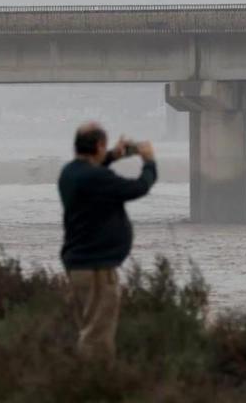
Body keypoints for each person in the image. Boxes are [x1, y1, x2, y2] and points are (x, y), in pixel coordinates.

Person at [58, 122, 157, 362]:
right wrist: (149, 162)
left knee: (86, 330)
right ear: (99, 145)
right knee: (97, 338)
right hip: (97, 271)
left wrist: (113, 155)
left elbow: (92, 170)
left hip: (78, 266)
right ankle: (97, 388)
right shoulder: (97, 178)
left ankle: (73, 382)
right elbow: (138, 187)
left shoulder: (70, 173)